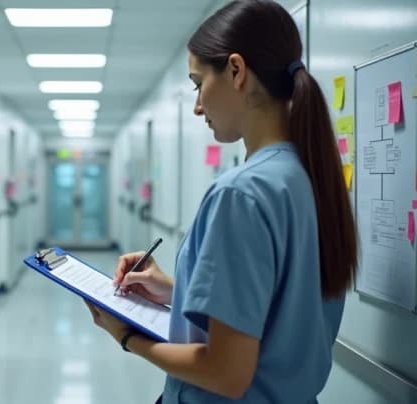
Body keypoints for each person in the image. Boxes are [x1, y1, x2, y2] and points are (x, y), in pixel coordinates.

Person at [84, 0, 358, 403]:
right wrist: (177, 292)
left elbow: (226, 374)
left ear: (235, 71)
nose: (197, 106)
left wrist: (127, 336)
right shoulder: (311, 178)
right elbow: (278, 316)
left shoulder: (242, 193)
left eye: (198, 84)